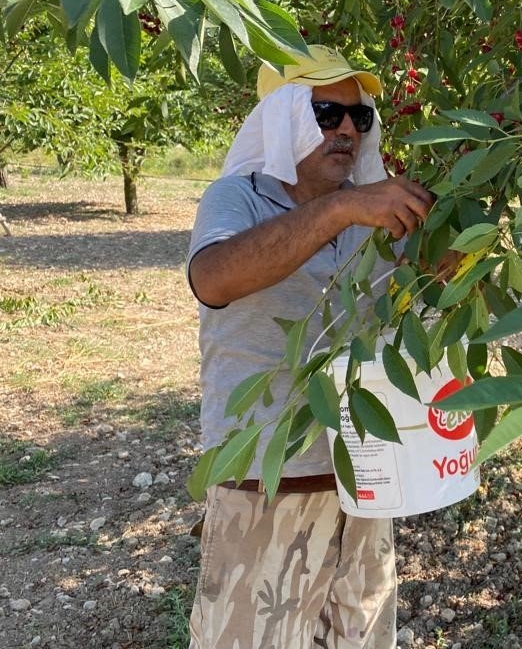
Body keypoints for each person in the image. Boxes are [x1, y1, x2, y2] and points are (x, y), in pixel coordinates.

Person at [186, 45, 435, 648]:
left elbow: (417, 298)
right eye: (327, 113)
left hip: (368, 477)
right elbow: (214, 277)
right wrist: (344, 207)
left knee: (361, 636)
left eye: (359, 117)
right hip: (269, 478)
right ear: (284, 118)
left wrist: (446, 264)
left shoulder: (378, 212)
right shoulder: (236, 198)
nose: (347, 129)